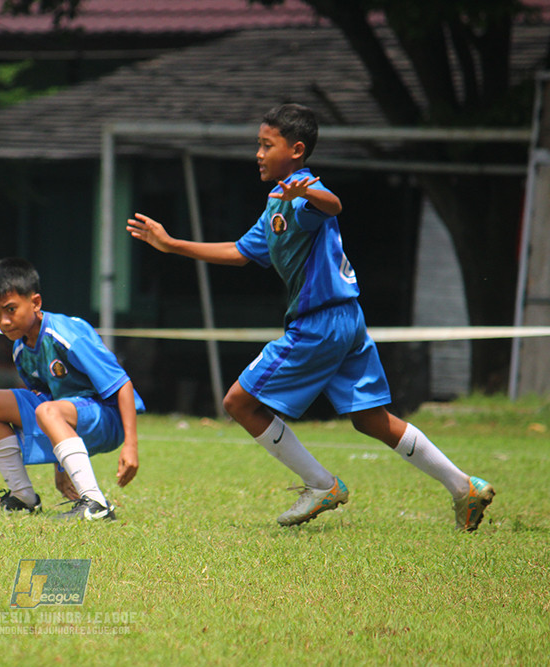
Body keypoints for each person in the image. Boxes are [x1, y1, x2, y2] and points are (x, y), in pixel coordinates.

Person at [126, 103, 495, 531]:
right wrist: (173, 245)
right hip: (345, 319)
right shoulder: (277, 201)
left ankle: (321, 484)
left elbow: (332, 204)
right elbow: (243, 252)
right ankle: (463, 487)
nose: (258, 154)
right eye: (258, 145)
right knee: (371, 419)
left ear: (296, 149)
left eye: (267, 145)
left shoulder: (301, 191)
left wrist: (304, 191)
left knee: (238, 402)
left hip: (319, 324)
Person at [0, 257, 143, 521]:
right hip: (65, 415)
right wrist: (61, 468)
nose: (3, 321)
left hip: (108, 417)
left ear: (36, 302)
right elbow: (48, 402)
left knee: (47, 412)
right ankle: (22, 497)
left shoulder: (66, 334)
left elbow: (122, 384)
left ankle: (96, 504)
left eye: (10, 309)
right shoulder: (20, 348)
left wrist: (131, 446)